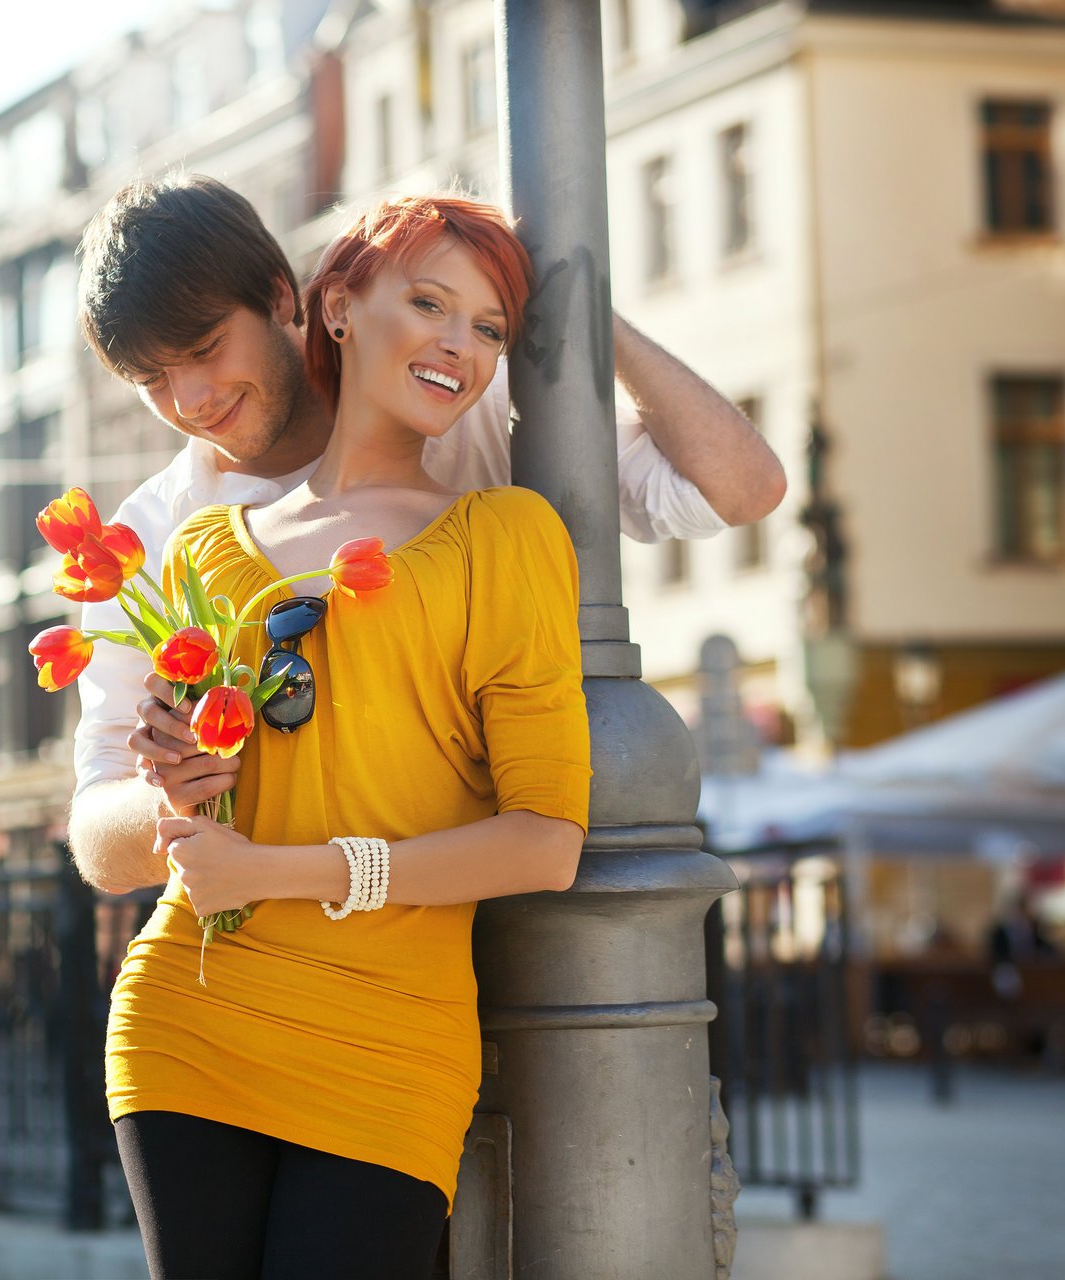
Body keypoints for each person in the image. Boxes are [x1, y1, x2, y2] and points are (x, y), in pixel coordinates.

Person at [104, 194, 589, 1279]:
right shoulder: (198, 551)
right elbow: (192, 809)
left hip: (391, 1033)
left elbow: (544, 841)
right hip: (192, 1013)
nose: (458, 344)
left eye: (490, 327)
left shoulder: (504, 536)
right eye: (427, 302)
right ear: (333, 305)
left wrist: (278, 867)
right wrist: (173, 779)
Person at [68, 174, 785, 893]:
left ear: (282, 296)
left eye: (206, 348)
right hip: (252, 958)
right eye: (152, 380)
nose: (190, 400)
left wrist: (589, 316)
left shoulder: (464, 401)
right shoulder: (155, 534)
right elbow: (98, 840)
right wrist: (168, 791)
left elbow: (741, 489)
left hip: (491, 928)